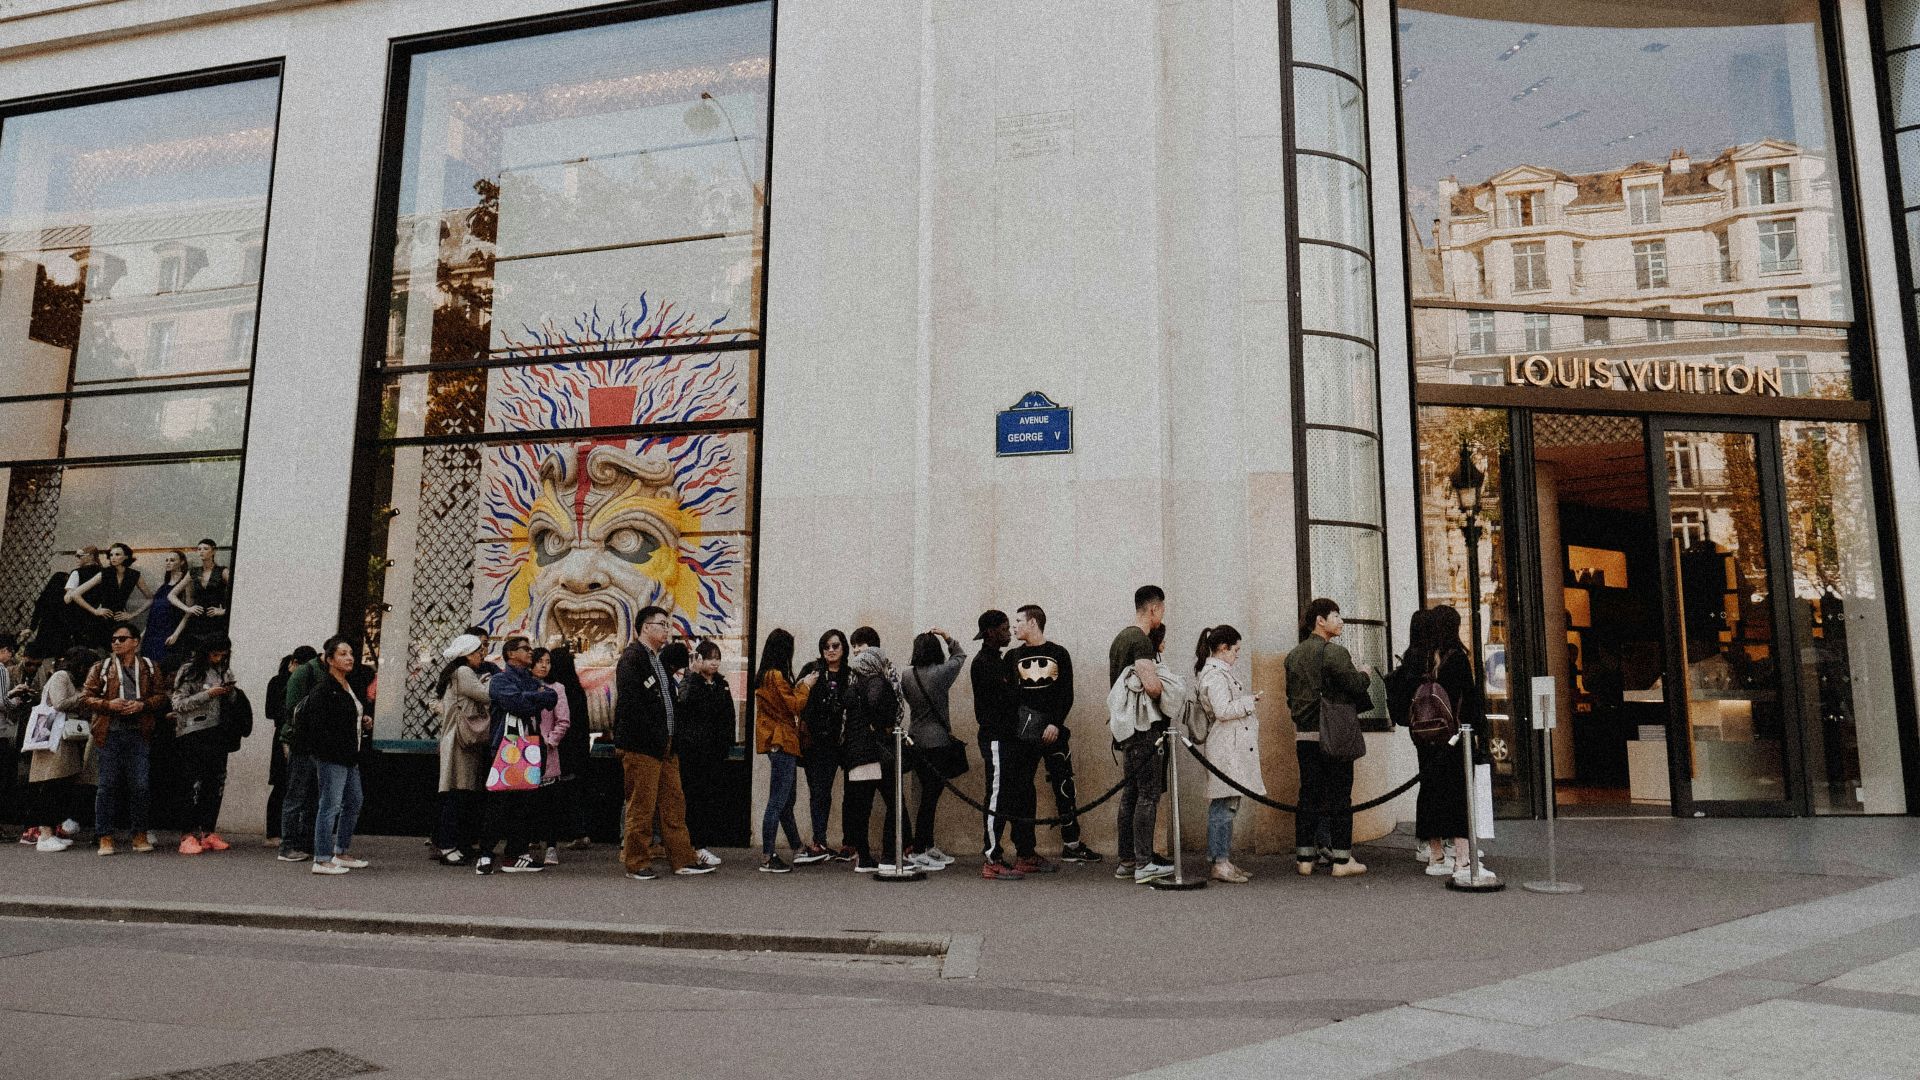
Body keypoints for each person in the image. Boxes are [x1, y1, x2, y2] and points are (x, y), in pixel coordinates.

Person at [613, 606, 713, 880]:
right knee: (641, 807)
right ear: (645, 627)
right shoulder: (633, 658)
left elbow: (669, 700)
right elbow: (633, 704)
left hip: (666, 745)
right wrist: (654, 735)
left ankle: (682, 859)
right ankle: (636, 863)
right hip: (643, 745)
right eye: (662, 624)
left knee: (674, 804)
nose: (667, 630)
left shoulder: (656, 659)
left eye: (668, 625)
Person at [1395, 605, 1491, 884]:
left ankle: (1435, 856)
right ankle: (1462, 860)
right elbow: (1471, 699)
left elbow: (1403, 700)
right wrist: (1477, 732)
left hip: (1424, 738)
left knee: (1430, 791)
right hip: (1454, 736)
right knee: (1458, 794)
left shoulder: (1416, 658)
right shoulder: (1457, 658)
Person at [1285, 598, 1373, 878]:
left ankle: (1304, 859)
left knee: (1308, 795)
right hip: (1334, 736)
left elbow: (1290, 698)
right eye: (1335, 615)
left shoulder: (1293, 656)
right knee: (1339, 796)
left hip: (1304, 735)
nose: (1341, 621)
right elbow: (1356, 685)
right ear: (1319, 620)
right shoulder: (1335, 653)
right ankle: (1342, 860)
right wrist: (1364, 674)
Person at [80, 623, 168, 855]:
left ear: (135, 642)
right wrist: (109, 704)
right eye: (113, 639)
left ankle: (139, 834)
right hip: (109, 733)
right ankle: (105, 837)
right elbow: (85, 697)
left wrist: (142, 705)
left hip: (139, 733)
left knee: (140, 785)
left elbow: (161, 697)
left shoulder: (149, 667)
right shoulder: (102, 666)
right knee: (106, 786)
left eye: (122, 638)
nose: (116, 643)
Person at [474, 636, 556, 875]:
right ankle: (486, 854)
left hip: (530, 747)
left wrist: (532, 697)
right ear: (510, 653)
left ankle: (516, 853)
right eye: (525, 649)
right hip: (505, 747)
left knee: (525, 804)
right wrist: (535, 696)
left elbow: (551, 698)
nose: (530, 652)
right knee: (498, 803)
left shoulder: (529, 681)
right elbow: (516, 703)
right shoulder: (499, 680)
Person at [291, 636, 370, 875]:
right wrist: (329, 747)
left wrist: (362, 721)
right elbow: (317, 724)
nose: (350, 658)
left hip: (349, 756)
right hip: (333, 756)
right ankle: (322, 858)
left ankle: (341, 851)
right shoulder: (324, 689)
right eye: (343, 654)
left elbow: (346, 716)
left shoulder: (347, 684)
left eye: (351, 654)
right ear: (330, 659)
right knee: (330, 805)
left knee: (354, 802)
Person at [1111, 587, 1171, 883]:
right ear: (1153, 609)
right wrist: (1167, 686)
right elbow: (1153, 686)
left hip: (1125, 729)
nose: (1162, 615)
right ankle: (1144, 863)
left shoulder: (1121, 638)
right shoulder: (1140, 641)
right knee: (1147, 795)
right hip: (1144, 729)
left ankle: (1127, 859)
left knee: (1130, 795)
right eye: (1162, 610)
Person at [1195, 625, 1262, 884]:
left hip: (1229, 745)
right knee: (1223, 805)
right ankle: (1219, 861)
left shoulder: (1216, 672)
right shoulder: (1215, 675)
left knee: (1228, 804)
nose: (1237, 656)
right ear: (1223, 648)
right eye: (1235, 650)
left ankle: (1222, 859)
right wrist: (1249, 702)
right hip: (1225, 746)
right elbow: (1222, 709)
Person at [899, 628, 964, 870]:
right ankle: (920, 848)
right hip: (937, 741)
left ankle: (926, 845)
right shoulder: (941, 673)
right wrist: (948, 637)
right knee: (930, 798)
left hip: (916, 740)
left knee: (927, 796)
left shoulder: (907, 676)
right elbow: (959, 656)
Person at [972, 609, 1028, 881]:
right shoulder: (984, 663)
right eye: (1005, 628)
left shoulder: (999, 660)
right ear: (991, 632)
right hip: (995, 737)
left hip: (1006, 737)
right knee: (995, 795)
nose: (1009, 633)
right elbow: (1004, 700)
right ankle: (991, 857)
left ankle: (1006, 853)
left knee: (1006, 795)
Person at [169, 636, 239, 855]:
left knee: (215, 782)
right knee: (192, 783)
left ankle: (208, 831)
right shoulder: (190, 670)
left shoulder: (224, 671)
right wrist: (208, 694)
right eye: (215, 654)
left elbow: (233, 701)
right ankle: (187, 834)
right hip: (193, 731)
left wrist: (230, 692)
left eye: (223, 654)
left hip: (219, 732)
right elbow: (178, 703)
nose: (218, 658)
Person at [753, 629, 815, 872]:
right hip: (782, 741)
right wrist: (807, 686)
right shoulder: (775, 676)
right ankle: (768, 856)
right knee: (778, 800)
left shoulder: (766, 675)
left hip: (779, 742)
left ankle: (798, 848)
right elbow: (795, 705)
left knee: (786, 801)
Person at [25, 647, 96, 852]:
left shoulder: (71, 680)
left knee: (62, 784)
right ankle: (45, 835)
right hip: (54, 740)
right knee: (51, 784)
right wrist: (84, 695)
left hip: (66, 739)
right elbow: (59, 703)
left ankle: (52, 832)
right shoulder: (61, 676)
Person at [841, 628, 900, 872]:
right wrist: (882, 724)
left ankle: (863, 856)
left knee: (861, 807)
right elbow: (880, 706)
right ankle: (888, 854)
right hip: (875, 752)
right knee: (894, 803)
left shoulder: (853, 687)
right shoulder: (878, 682)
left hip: (855, 752)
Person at [431, 633, 492, 865]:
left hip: (458, 740)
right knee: (456, 794)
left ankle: (454, 843)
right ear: (466, 654)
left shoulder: (455, 673)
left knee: (458, 794)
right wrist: (491, 682)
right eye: (478, 652)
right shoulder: (464, 673)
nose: (481, 655)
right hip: (460, 741)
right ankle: (448, 846)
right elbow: (485, 695)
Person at [795, 629, 853, 864]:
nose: (830, 650)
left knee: (839, 793)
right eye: (826, 646)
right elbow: (797, 696)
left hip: (840, 741)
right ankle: (819, 840)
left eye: (835, 646)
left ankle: (841, 842)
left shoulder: (850, 674)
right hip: (814, 742)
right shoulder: (813, 670)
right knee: (818, 792)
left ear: (843, 648)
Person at [677, 640, 734, 869]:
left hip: (714, 752)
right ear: (698, 659)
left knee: (708, 799)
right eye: (709, 657)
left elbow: (728, 716)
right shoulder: (691, 682)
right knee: (693, 799)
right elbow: (683, 702)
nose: (714, 662)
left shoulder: (722, 684)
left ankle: (702, 845)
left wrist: (727, 743)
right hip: (693, 751)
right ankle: (694, 847)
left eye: (717, 658)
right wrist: (691, 675)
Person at [262, 647, 314, 848]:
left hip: (300, 737)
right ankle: (273, 832)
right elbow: (271, 711)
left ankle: (294, 832)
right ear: (294, 663)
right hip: (284, 735)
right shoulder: (278, 682)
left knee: (298, 786)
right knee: (282, 784)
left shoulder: (307, 682)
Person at [544, 647, 593, 852]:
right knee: (573, 792)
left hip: (560, 749)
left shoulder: (556, 689)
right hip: (577, 749)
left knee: (553, 794)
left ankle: (548, 836)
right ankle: (580, 832)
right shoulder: (576, 688)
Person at [68, 543, 150, 650]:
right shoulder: (105, 573)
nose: (113, 557)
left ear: (126, 556)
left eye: (117, 554)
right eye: (111, 555)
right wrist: (94, 611)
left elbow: (150, 598)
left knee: (117, 653)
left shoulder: (134, 575)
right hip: (101, 619)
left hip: (119, 620)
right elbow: (75, 594)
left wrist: (132, 615)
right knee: (95, 651)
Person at [27, 549, 101, 660]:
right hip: (62, 630)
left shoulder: (63, 582)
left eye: (80, 556)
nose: (77, 559)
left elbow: (41, 604)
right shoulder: (62, 579)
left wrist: (32, 627)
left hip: (55, 630)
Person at [141, 551, 191, 670]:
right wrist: (142, 634)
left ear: (182, 562)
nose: (168, 563)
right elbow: (153, 612)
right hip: (152, 633)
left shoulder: (185, 583)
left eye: (172, 560)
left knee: (163, 666)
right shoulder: (163, 586)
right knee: (148, 667)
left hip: (169, 631)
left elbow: (188, 612)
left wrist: (176, 634)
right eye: (167, 560)